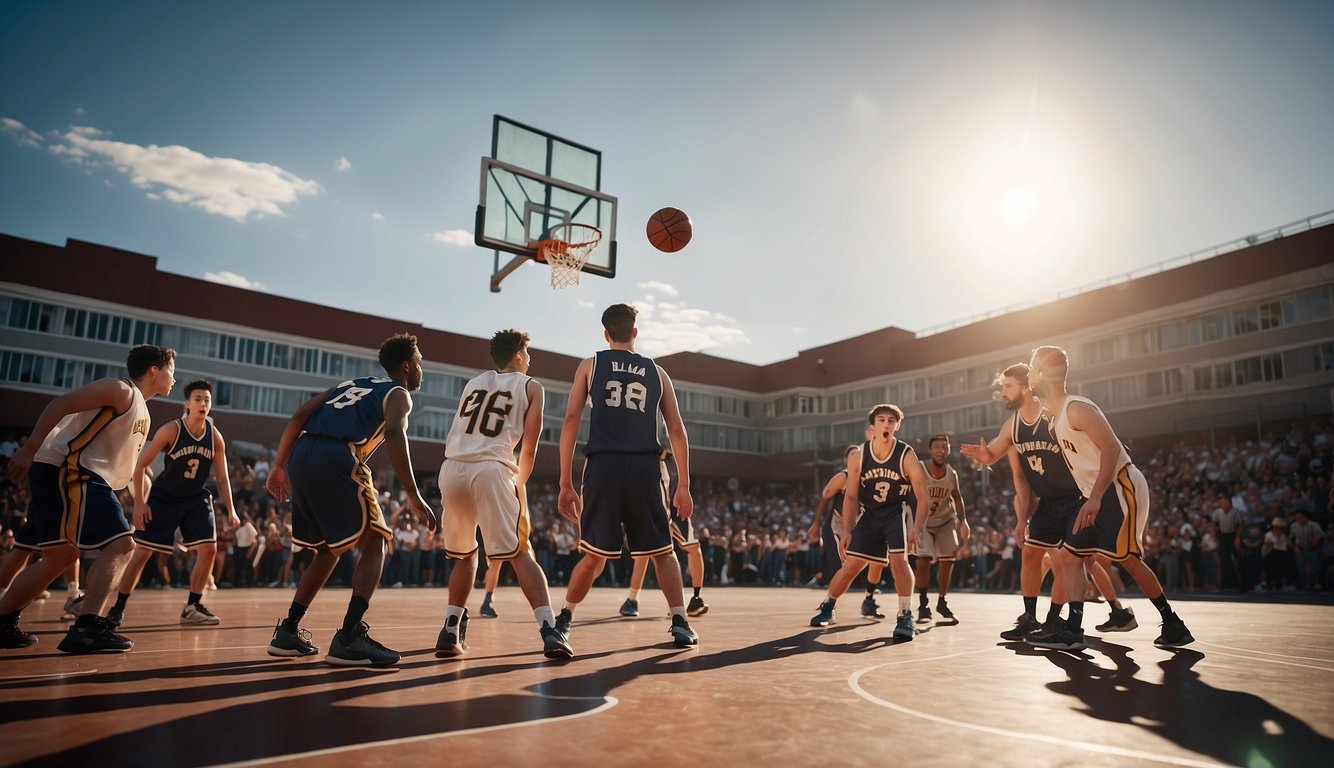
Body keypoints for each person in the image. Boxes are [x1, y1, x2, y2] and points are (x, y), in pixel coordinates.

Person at [264, 333, 437, 666]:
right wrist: (413, 494)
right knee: (376, 541)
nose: (419, 368)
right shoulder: (398, 393)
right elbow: (394, 432)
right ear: (406, 365)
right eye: (418, 362)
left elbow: (300, 414)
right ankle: (349, 636)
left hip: (302, 454)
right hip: (338, 455)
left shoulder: (347, 384)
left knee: (327, 551)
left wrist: (278, 465)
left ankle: (288, 630)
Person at [0, 344, 176, 652]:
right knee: (123, 545)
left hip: (71, 473)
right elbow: (60, 404)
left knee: (60, 557)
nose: (174, 377)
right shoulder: (120, 389)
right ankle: (88, 628)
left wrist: (142, 491)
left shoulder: (142, 412)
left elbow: (126, 465)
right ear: (154, 370)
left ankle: (2, 622)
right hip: (71, 470)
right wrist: (28, 448)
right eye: (172, 370)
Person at [1026, 345, 1193, 649]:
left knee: (1127, 559)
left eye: (1031, 367)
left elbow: (1112, 448)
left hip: (1118, 486)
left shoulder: (1076, 408)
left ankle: (1173, 624)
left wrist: (1095, 497)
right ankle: (1074, 630)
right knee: (1069, 557)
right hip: (1097, 494)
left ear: (1041, 374)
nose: (1028, 374)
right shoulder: (1056, 419)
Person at [554, 304, 698, 648]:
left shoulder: (591, 365)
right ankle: (680, 621)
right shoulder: (657, 372)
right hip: (645, 467)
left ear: (606, 334)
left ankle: (564, 620)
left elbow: (571, 420)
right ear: (635, 332)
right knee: (663, 551)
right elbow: (676, 428)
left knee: (593, 555)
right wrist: (684, 484)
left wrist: (565, 482)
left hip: (603, 464)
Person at [961, 363, 1135, 643]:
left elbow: (1093, 442)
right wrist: (985, 457)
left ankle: (1062, 618)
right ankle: (1031, 618)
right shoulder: (1013, 426)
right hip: (1048, 502)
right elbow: (999, 459)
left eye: (1008, 386)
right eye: (1002, 387)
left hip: (1077, 497)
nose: (1002, 392)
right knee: (1032, 555)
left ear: (1027, 387)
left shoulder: (1054, 417)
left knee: (1070, 562)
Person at [435, 329, 571, 660]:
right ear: (520, 356)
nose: (531, 358)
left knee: (466, 555)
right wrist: (519, 483)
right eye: (529, 353)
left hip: (452, 468)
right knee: (520, 551)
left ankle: (450, 629)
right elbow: (530, 447)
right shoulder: (532, 385)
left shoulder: (473, 383)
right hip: (492, 468)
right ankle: (550, 629)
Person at [108, 379, 240, 629]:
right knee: (143, 553)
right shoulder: (171, 430)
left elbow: (222, 478)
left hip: (194, 498)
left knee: (209, 549)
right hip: (164, 498)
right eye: (198, 399)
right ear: (187, 403)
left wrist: (231, 510)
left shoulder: (215, 436)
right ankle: (118, 608)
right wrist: (139, 504)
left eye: (207, 400)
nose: (203, 403)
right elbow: (140, 466)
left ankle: (192, 606)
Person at [810, 404, 930, 641]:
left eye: (891, 421)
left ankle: (905, 614)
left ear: (897, 426)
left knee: (899, 560)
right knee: (851, 567)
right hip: (870, 514)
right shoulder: (858, 456)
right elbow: (851, 496)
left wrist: (916, 527)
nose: (886, 424)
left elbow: (922, 495)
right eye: (882, 420)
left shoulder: (907, 455)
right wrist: (846, 531)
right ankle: (828, 605)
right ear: (872, 427)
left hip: (895, 513)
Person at [621, 449, 709, 619]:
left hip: (672, 502)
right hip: (657, 504)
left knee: (692, 547)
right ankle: (632, 599)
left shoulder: (668, 445)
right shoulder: (649, 447)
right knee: (646, 554)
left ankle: (696, 598)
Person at [807, 441, 889, 617]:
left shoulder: (870, 477)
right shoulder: (842, 477)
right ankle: (829, 604)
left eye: (859, 455)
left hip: (859, 524)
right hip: (837, 524)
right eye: (852, 456)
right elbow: (824, 497)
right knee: (842, 567)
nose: (856, 459)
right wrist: (816, 523)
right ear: (846, 460)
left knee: (877, 561)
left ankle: (869, 599)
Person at [912, 434, 970, 623]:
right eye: (937, 447)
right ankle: (923, 605)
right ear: (931, 450)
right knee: (923, 561)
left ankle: (942, 602)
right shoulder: (919, 468)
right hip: (923, 523)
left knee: (948, 559)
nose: (941, 450)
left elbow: (957, 497)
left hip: (945, 521)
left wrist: (964, 521)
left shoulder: (951, 473)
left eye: (944, 447)